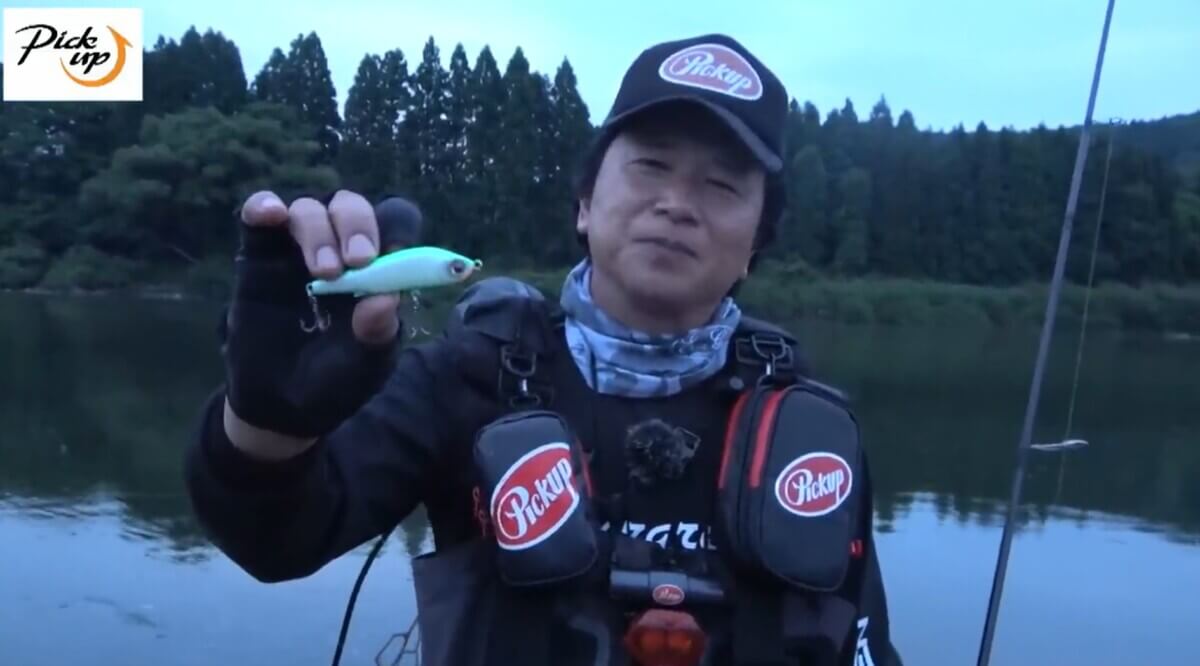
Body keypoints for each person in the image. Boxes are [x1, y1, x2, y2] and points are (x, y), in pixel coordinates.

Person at [183, 32, 902, 666]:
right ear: (585, 204)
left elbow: (863, 638)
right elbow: (276, 542)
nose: (678, 203)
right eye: (651, 166)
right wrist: (266, 427)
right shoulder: (470, 374)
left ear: (755, 244)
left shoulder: (807, 422)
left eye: (720, 184)